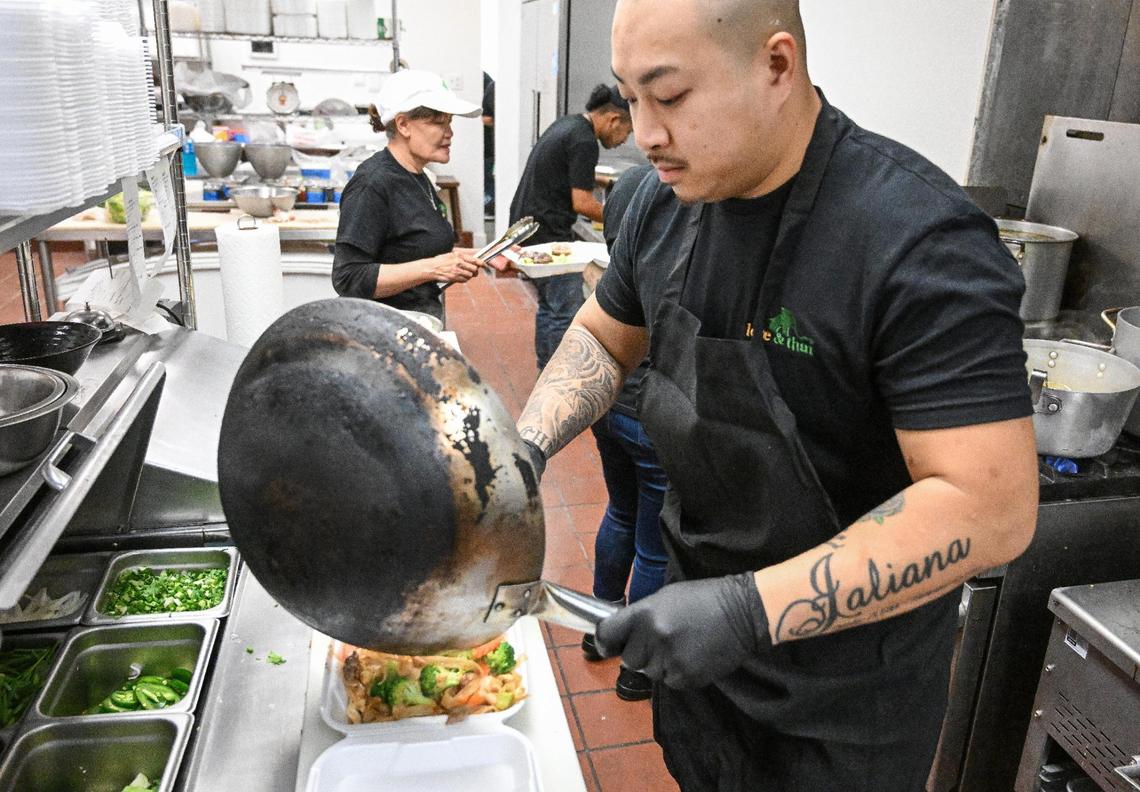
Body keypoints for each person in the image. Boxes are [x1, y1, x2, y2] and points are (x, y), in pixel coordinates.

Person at [515, 1, 1040, 789]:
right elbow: (601, 335)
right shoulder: (664, 202)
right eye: (630, 99)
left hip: (844, 698)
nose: (646, 133)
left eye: (671, 95)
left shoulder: (918, 240)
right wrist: (522, 449)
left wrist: (745, 611)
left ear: (777, 65)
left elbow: (989, 507)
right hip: (699, 663)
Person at [577, 163, 670, 704]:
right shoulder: (672, 225)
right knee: (654, 547)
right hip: (652, 417)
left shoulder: (614, 271)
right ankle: (635, 667)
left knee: (619, 510)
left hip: (610, 405)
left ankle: (597, 630)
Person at [332, 69, 482, 321]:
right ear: (403, 125)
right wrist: (435, 268)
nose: (450, 133)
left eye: (449, 121)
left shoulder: (418, 176)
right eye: (438, 122)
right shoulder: (373, 183)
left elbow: (412, 248)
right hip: (381, 332)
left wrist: (480, 255)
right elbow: (348, 277)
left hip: (417, 322)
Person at [509, 84, 633, 369]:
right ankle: (557, 376)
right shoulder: (584, 141)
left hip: (529, 227)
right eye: (628, 131)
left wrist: (608, 183)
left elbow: (567, 176)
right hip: (548, 235)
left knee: (551, 308)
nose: (625, 139)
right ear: (614, 119)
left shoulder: (569, 124)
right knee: (563, 312)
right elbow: (583, 203)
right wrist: (626, 221)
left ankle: (544, 369)